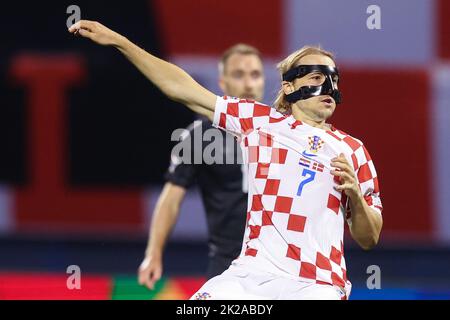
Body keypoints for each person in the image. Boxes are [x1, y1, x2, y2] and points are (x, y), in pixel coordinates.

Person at [68, 20, 383, 300]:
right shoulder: (259, 122)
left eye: (334, 80)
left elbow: (369, 237)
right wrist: (121, 42)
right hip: (250, 276)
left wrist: (355, 195)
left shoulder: (353, 150)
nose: (330, 87)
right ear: (289, 86)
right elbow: (181, 87)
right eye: (316, 77)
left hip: (315, 284)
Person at [137, 44, 265, 289]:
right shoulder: (201, 136)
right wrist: (153, 253)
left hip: (281, 269)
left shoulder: (283, 132)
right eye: (239, 75)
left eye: (255, 75)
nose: (249, 84)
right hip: (227, 267)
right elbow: (171, 198)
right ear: (222, 83)